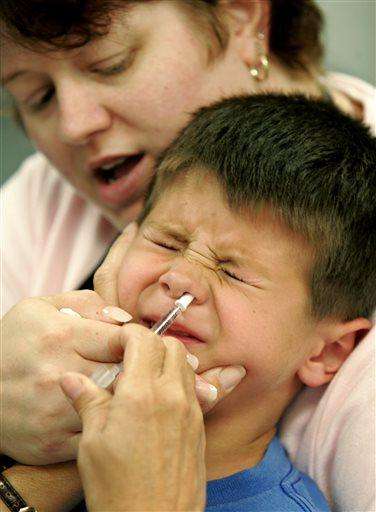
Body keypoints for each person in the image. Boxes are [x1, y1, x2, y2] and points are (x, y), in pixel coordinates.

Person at [0, 1, 374, 510]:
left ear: (242, 16)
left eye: (111, 63)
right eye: (37, 96)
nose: (73, 125)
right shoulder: (36, 203)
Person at [59, 94, 375, 511]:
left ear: (328, 351)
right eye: (166, 241)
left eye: (232, 271)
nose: (179, 279)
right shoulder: (33, 411)